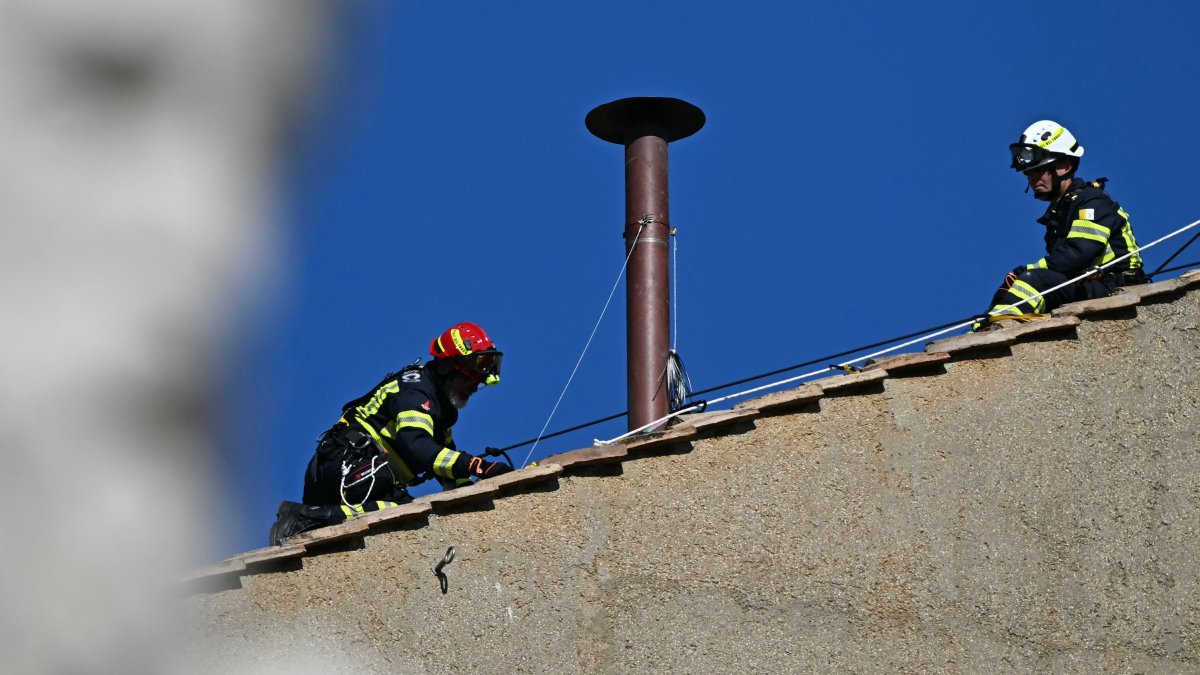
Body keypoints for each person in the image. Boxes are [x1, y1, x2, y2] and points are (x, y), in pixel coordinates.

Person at [268, 322, 514, 545]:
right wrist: (477, 466)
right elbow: (418, 446)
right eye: (471, 378)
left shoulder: (442, 410)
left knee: (406, 512)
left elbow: (445, 463)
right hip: (344, 468)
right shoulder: (417, 391)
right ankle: (304, 518)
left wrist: (480, 487)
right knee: (405, 513)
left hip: (360, 478)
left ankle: (316, 519)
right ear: (449, 367)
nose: (475, 386)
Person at [976, 120, 1144, 330]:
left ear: (1065, 166)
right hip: (1088, 288)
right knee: (1013, 283)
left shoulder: (1092, 201)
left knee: (1032, 280)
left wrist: (1031, 269)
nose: (1032, 179)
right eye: (1029, 173)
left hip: (1115, 287)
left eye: (1039, 170)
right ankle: (985, 328)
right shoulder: (1060, 213)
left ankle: (1002, 329)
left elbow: (1078, 253)